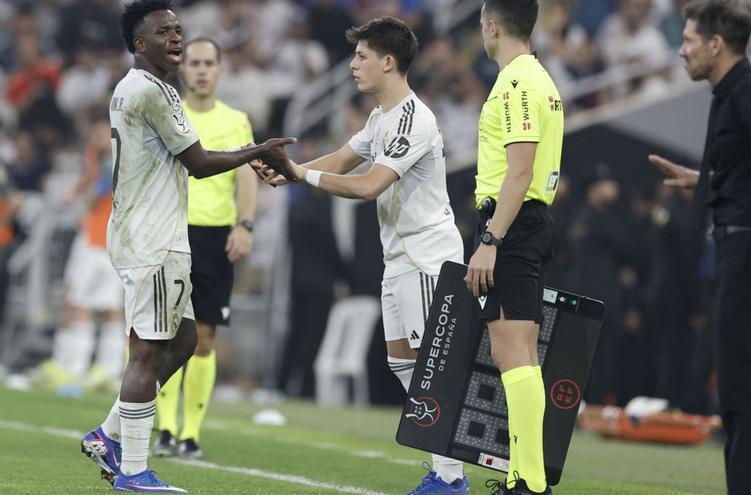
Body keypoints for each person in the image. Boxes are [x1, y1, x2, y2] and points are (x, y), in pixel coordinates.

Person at [78, 1, 293, 493]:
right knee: (147, 351)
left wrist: (249, 154)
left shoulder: (137, 87)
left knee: (185, 340)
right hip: (153, 237)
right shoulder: (152, 91)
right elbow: (198, 163)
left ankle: (109, 434)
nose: (175, 37)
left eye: (178, 29)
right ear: (139, 44)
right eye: (163, 32)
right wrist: (258, 150)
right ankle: (133, 471)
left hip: (152, 231)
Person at [258, 16, 469, 495]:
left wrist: (301, 176)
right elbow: (340, 160)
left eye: (361, 56)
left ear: (388, 62)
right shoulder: (381, 118)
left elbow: (370, 185)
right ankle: (447, 465)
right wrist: (289, 171)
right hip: (399, 257)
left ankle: (451, 476)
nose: (352, 65)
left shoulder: (414, 120)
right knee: (402, 363)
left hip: (427, 256)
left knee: (431, 367)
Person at [648, 1, 751, 494]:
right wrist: (706, 180)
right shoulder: (733, 92)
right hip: (743, 249)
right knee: (736, 389)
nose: (682, 50)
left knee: (744, 389)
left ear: (716, 44)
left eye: (689, 40)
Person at [466, 1, 563, 493]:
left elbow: (520, 171)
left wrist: (490, 239)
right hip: (527, 222)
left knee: (512, 354)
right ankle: (525, 477)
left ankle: (528, 481)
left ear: (492, 25)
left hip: (512, 224)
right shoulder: (538, 78)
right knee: (522, 353)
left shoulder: (518, 82)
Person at [152, 37, 258, 459]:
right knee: (164, 333)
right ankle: (165, 428)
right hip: (172, 232)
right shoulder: (169, 113)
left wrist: (245, 224)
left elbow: (247, 175)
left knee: (204, 337)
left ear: (219, 70)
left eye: (207, 63)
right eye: (193, 62)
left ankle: (191, 434)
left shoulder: (236, 120)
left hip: (215, 236)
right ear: (183, 69)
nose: (200, 70)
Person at [42, 116, 125, 391]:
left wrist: (81, 196)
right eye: (94, 135)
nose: (96, 140)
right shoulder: (98, 156)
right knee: (106, 306)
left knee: (79, 302)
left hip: (97, 242)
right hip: (112, 244)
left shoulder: (115, 159)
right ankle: (106, 370)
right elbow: (89, 180)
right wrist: (77, 189)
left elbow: (96, 192)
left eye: (101, 134)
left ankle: (73, 367)